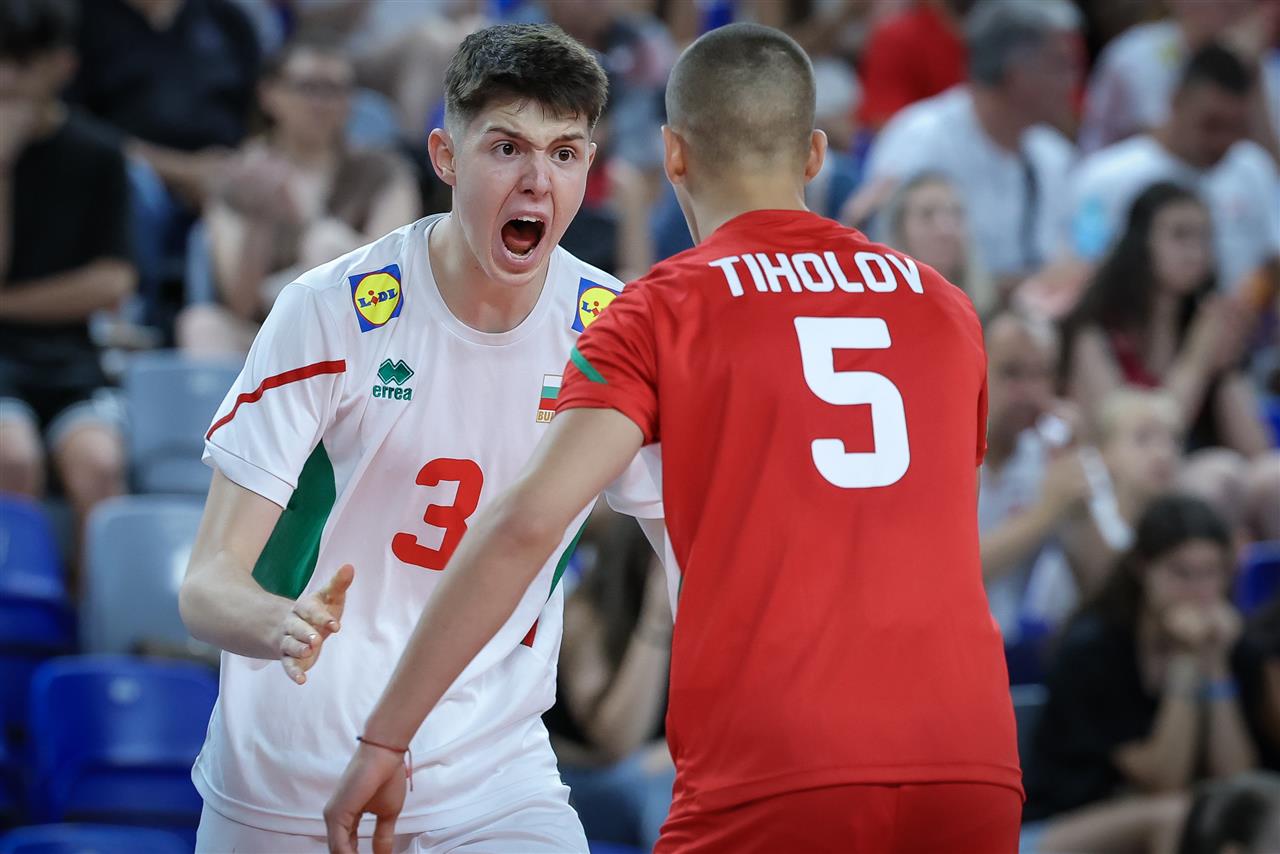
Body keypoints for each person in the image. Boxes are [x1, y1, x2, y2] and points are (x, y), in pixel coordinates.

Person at [325, 22, 1021, 854]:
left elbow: (525, 525)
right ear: (815, 155)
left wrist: (387, 736)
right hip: (973, 758)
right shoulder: (944, 306)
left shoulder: (659, 310)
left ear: (674, 155)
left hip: (779, 760)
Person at [178, 23, 662, 853]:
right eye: (506, 148)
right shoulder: (330, 309)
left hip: (493, 772)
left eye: (564, 154)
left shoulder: (613, 329)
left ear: (591, 165)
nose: (537, 181)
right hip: (294, 769)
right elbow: (205, 588)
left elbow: (695, 551)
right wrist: (280, 622)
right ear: (445, 156)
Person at [1024, 496, 1264, 837]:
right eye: (1181, 573)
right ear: (1142, 567)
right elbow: (1162, 781)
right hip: (1066, 820)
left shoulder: (1230, 642)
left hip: (1164, 818)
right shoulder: (1094, 651)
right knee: (1174, 815)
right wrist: (1185, 659)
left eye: (1211, 572)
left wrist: (1216, 665)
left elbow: (1237, 781)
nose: (1199, 592)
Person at [177, 34, 421, 356]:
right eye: (308, 87)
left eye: (336, 89)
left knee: (326, 243)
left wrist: (308, 220)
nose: (322, 102)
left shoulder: (384, 170)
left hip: (359, 335)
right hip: (268, 339)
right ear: (269, 95)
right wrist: (260, 224)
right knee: (201, 325)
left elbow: (389, 272)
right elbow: (240, 305)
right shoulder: (241, 178)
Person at [0, 0, 134, 570]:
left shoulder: (98, 153)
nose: (7, 78)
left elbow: (112, 282)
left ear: (62, 65)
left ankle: (91, 611)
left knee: (101, 466)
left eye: (23, 62)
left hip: (69, 358)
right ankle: (18, 610)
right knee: (12, 457)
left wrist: (7, 305)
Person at [853, 0, 1079, 287]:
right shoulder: (922, 140)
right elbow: (884, 263)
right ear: (1014, 72)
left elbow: (1070, 262)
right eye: (1059, 66)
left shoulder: (1054, 155)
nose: (1071, 82)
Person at [1060, 182, 1273, 458]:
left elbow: (1257, 450)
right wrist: (1198, 356)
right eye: (1180, 235)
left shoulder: (1202, 324)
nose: (1196, 252)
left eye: (1205, 237)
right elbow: (1135, 440)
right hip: (1124, 474)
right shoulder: (1096, 331)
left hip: (1196, 469)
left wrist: (1227, 368)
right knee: (1218, 472)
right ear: (1141, 241)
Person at [1068, 45, 1280, 296]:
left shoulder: (1252, 167)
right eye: (1211, 124)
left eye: (1236, 127)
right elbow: (1081, 268)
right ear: (1176, 100)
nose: (1222, 140)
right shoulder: (1105, 178)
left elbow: (1272, 257)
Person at [546, 508, 674, 850]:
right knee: (662, 784)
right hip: (591, 779)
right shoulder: (585, 613)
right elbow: (618, 742)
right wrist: (656, 619)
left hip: (655, 765)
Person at [880, 172, 995, 317]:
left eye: (956, 214)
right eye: (927, 215)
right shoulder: (880, 311)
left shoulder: (992, 313)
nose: (946, 229)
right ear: (900, 230)